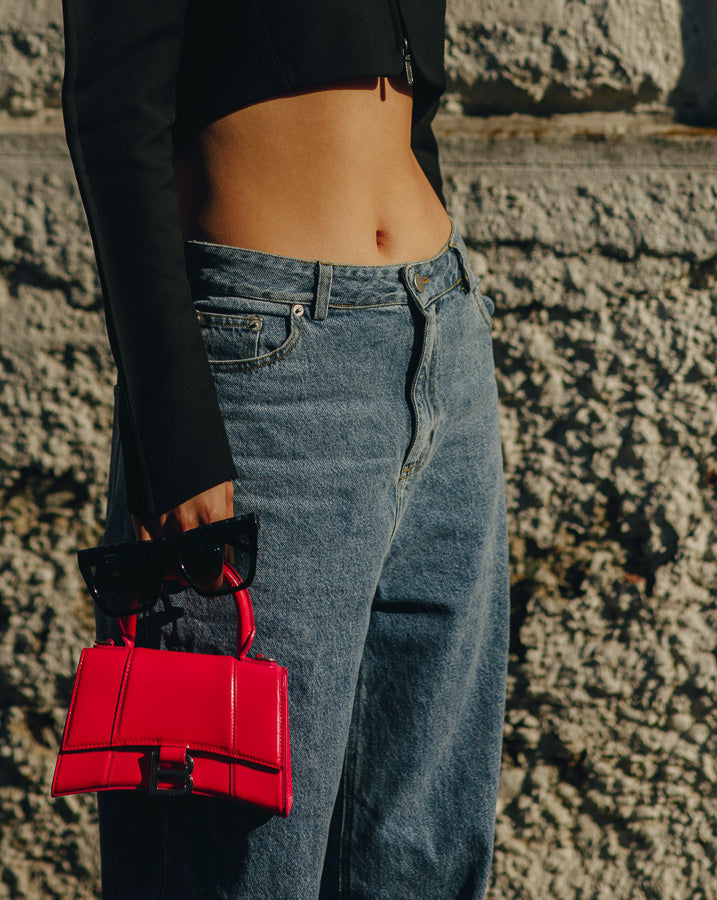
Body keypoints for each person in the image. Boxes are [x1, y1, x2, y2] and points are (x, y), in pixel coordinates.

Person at [61, 0, 509, 896]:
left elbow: (405, 103)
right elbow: (115, 120)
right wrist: (177, 434)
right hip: (271, 367)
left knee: (419, 846)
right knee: (240, 853)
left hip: (440, 333)